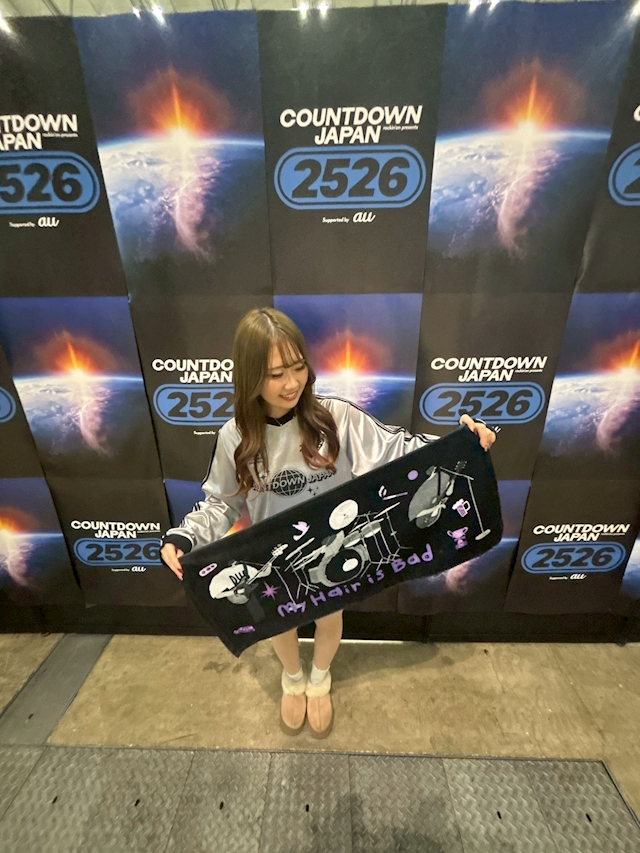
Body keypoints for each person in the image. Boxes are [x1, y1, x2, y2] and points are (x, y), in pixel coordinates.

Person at [161, 308, 497, 738]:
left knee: (329, 615)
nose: (291, 383)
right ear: (250, 377)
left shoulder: (335, 417)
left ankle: (320, 677)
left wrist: (463, 444)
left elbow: (399, 451)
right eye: (276, 374)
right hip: (275, 560)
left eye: (298, 367)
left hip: (336, 548)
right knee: (280, 623)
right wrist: (185, 536)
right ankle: (292, 679)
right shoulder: (235, 437)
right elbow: (221, 504)